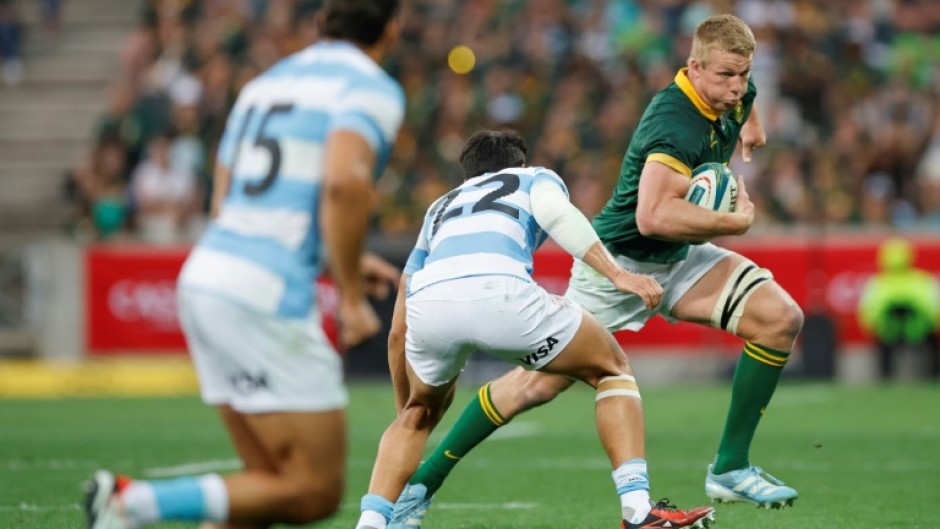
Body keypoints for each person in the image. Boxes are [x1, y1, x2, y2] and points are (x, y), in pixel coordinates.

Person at [390, 14, 803, 528]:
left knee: (780, 318)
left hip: (681, 259)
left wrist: (751, 127)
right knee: (534, 387)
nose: (736, 87)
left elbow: (746, 99)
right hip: (622, 261)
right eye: (724, 76)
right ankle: (423, 483)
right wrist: (733, 223)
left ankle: (731, 467)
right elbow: (652, 217)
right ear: (693, 67)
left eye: (743, 75)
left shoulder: (734, 86)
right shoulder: (672, 125)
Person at [84, 1, 405, 528]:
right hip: (264, 295)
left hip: (207, 274)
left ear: (321, 24)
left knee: (264, 482)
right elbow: (345, 184)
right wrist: (348, 295)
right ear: (393, 29)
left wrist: (335, 257)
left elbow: (227, 206)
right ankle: (131, 503)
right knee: (314, 490)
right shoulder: (369, 87)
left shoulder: (263, 85)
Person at [356, 129, 716, 529]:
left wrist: (405, 412)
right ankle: (637, 510)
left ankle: (371, 523)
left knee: (417, 415)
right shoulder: (532, 178)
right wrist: (618, 275)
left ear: (466, 176)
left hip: (431, 305)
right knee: (611, 369)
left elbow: (398, 326)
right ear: (520, 163)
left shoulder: (439, 207)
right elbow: (559, 216)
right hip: (501, 293)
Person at [858, 238, 940, 380]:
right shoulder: (921, 281)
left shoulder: (878, 283)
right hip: (893, 332)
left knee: (929, 345)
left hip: (914, 331)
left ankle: (928, 375)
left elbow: (868, 313)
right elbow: (934, 309)